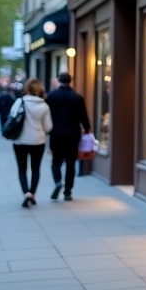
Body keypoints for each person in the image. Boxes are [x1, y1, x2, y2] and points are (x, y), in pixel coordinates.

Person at [45, 71, 91, 202]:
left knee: (56, 162)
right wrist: (87, 129)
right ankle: (68, 192)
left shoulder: (51, 96)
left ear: (59, 80)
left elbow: (47, 116)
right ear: (71, 81)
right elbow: (84, 117)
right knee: (71, 163)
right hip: (73, 134)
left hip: (56, 134)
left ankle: (58, 182)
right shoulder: (77, 97)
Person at [12, 77, 53, 207]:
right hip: (37, 141)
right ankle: (32, 193)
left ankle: (26, 193)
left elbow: (12, 118)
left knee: (22, 168)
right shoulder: (44, 105)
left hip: (19, 141)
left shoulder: (19, 102)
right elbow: (48, 127)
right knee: (36, 169)